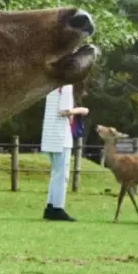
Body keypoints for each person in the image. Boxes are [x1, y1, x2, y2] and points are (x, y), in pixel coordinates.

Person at [40, 85, 89, 221]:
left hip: (50, 136)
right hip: (61, 137)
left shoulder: (52, 88)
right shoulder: (66, 87)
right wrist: (81, 110)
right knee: (62, 175)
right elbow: (65, 111)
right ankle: (58, 207)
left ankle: (50, 206)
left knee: (55, 174)